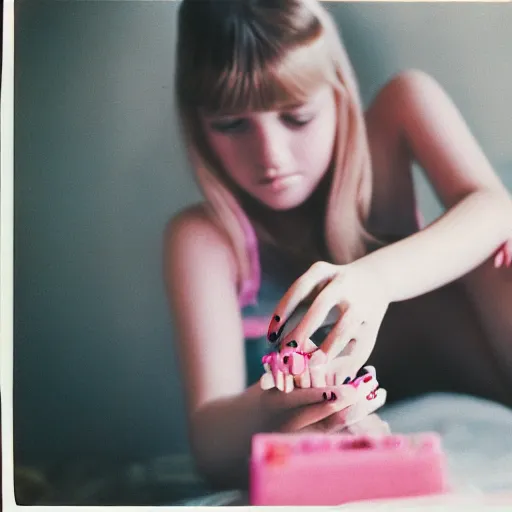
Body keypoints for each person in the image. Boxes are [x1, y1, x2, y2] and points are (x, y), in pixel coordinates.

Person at [164, 0, 512, 490]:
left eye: (298, 118)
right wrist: (278, 401)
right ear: (196, 124)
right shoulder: (205, 238)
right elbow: (211, 446)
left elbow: (494, 208)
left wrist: (375, 279)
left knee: (494, 245)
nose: (271, 157)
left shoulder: (397, 114)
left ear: (339, 93)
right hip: (372, 420)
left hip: (492, 363)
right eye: (231, 125)